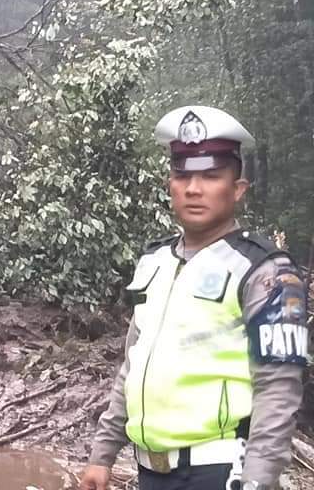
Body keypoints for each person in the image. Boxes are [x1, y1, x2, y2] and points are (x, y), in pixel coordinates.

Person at [80, 106, 307, 490]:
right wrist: (102, 455)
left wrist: (257, 482)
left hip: (220, 472)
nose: (194, 189)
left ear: (238, 189)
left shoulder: (264, 271)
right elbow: (132, 366)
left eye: (211, 176)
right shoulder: (154, 261)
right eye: (182, 176)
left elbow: (279, 391)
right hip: (150, 472)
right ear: (170, 184)